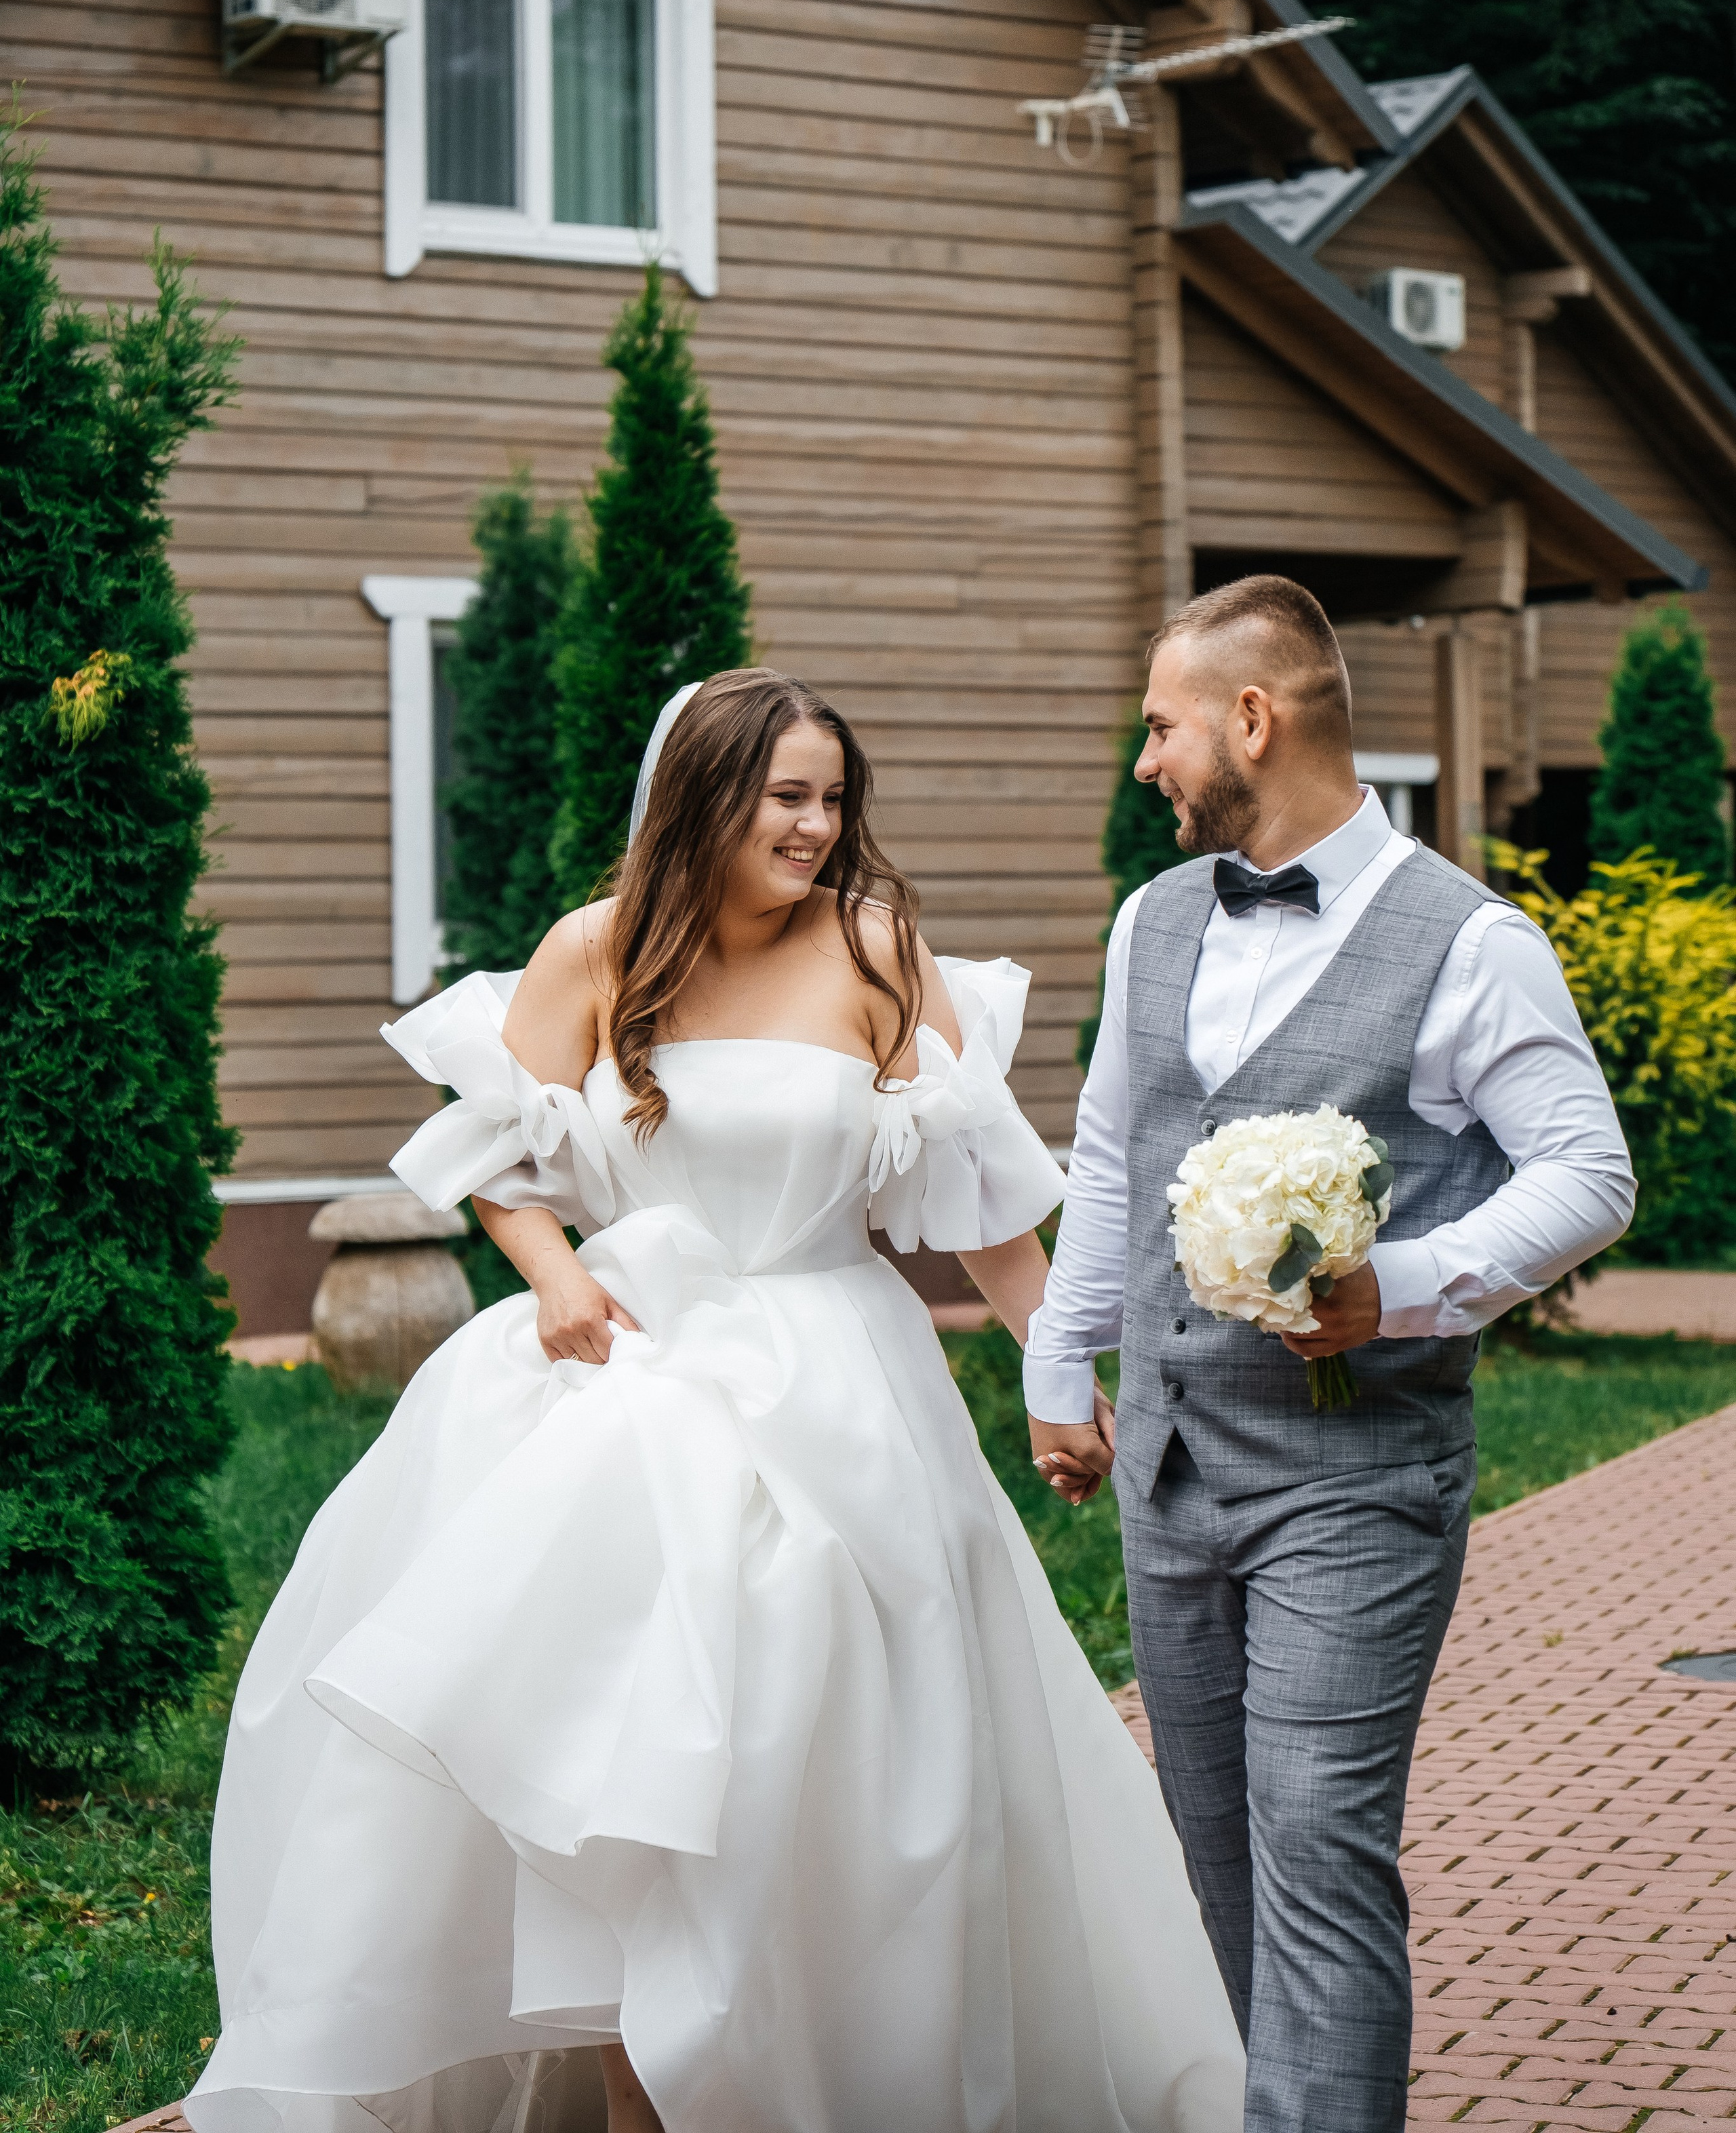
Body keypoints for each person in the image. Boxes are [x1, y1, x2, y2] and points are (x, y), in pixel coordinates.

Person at [186, 666, 1245, 2133]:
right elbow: (491, 1141)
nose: (815, 828)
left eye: (831, 798)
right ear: (701, 795)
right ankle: (649, 2096)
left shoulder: (877, 951)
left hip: (840, 1386)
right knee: (624, 1754)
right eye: (784, 797)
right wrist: (551, 1270)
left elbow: (980, 1201)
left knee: (835, 1749)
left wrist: (1047, 1365)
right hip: (626, 1380)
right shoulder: (597, 948)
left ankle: (828, 2061)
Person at [1023, 575, 1636, 2133]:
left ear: (1251, 718)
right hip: (1167, 1467)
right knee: (1213, 1845)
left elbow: (1585, 1172)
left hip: (1355, 1478)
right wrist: (1056, 1357)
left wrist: (1408, 1281)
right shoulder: (1152, 915)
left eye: (1160, 725)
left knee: (1317, 1837)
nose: (1143, 760)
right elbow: (1109, 1157)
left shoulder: (1468, 941)